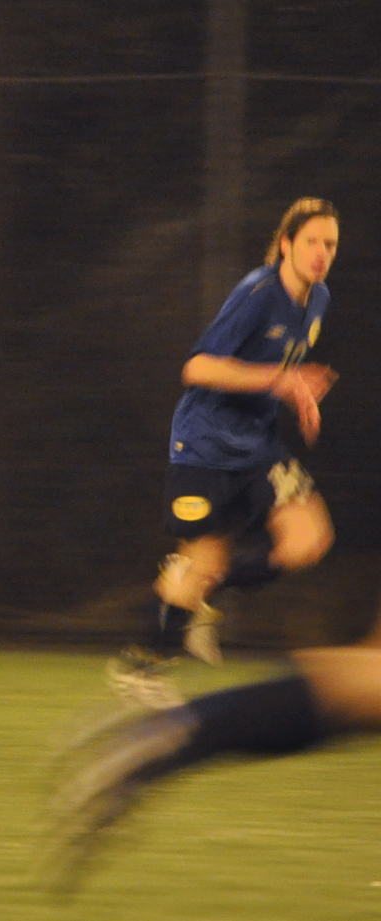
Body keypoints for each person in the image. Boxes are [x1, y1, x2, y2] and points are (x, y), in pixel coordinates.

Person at [110, 198, 341, 705]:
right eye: (311, 241)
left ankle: (199, 596)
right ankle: (141, 667)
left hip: (257, 446)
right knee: (203, 562)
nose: (321, 253)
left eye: (330, 244)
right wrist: (281, 381)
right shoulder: (257, 293)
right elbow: (197, 368)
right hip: (204, 446)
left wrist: (299, 393)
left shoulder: (318, 298)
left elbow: (280, 370)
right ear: (286, 245)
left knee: (307, 539)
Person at [48, 629, 381, 894]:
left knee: (195, 728)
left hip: (330, 700)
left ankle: (146, 750)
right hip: (323, 696)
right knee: (196, 727)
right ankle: (149, 748)